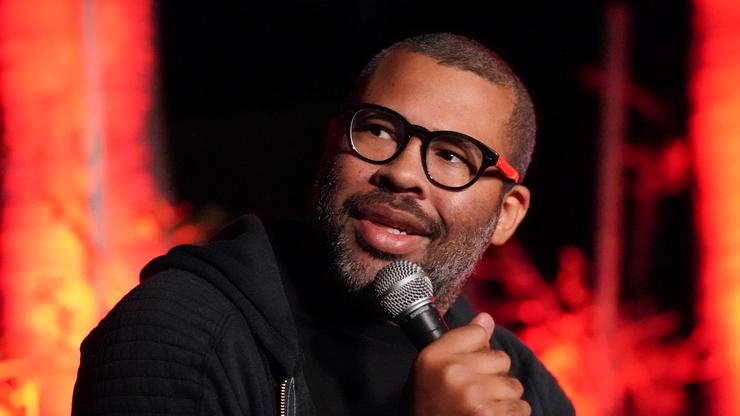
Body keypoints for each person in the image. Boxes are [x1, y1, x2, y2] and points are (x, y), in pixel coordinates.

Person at [72, 33, 575, 416]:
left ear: (507, 214)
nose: (402, 173)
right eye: (379, 130)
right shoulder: (177, 334)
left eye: (451, 156)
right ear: (330, 143)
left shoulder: (518, 385)